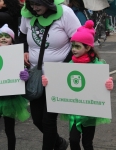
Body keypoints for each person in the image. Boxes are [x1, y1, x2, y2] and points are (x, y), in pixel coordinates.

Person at [42, 20, 114, 150]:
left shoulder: (97, 66)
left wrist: (108, 84)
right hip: (75, 111)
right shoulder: (70, 65)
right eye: (72, 46)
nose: (73, 49)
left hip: (90, 112)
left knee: (87, 143)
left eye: (77, 46)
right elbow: (61, 83)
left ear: (87, 48)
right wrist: (49, 82)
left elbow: (103, 84)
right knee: (74, 140)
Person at [19, 0, 81, 149]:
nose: (34, 7)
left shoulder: (66, 13)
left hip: (58, 76)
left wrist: (64, 68)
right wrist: (25, 51)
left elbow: (79, 40)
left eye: (38, 4)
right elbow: (22, 34)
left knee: (48, 120)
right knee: (37, 120)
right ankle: (59, 143)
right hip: (36, 76)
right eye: (31, 4)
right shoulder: (27, 14)